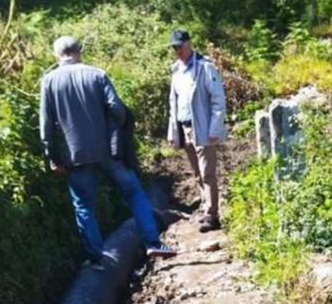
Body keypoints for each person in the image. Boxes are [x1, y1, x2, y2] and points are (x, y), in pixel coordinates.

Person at [40, 36, 176, 269]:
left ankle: (97, 259)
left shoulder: (49, 82)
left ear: (57, 55)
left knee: (84, 206)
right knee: (134, 193)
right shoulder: (97, 75)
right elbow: (117, 109)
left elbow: (46, 126)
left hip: (75, 156)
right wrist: (115, 133)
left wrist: (53, 157)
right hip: (108, 151)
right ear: (79, 52)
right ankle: (152, 242)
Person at [166, 29, 227, 233]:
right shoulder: (176, 70)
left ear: (189, 43)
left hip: (202, 127)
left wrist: (214, 128)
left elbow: (218, 101)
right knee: (197, 173)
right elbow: (173, 104)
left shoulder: (205, 68)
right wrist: (172, 132)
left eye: (180, 46)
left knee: (207, 172)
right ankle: (205, 208)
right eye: (174, 47)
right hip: (185, 128)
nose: (177, 50)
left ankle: (212, 215)